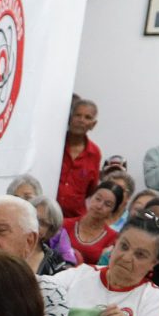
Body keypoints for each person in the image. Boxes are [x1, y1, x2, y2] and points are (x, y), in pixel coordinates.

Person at [52, 176, 125, 268]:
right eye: (98, 199)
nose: (99, 206)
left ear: (113, 211)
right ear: (90, 198)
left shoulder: (113, 239)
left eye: (107, 204)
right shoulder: (65, 224)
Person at [58, 95, 102, 223]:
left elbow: (91, 190)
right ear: (70, 118)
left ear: (93, 125)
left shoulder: (95, 153)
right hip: (47, 215)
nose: (81, 120)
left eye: (87, 117)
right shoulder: (56, 145)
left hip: (74, 220)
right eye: (78, 115)